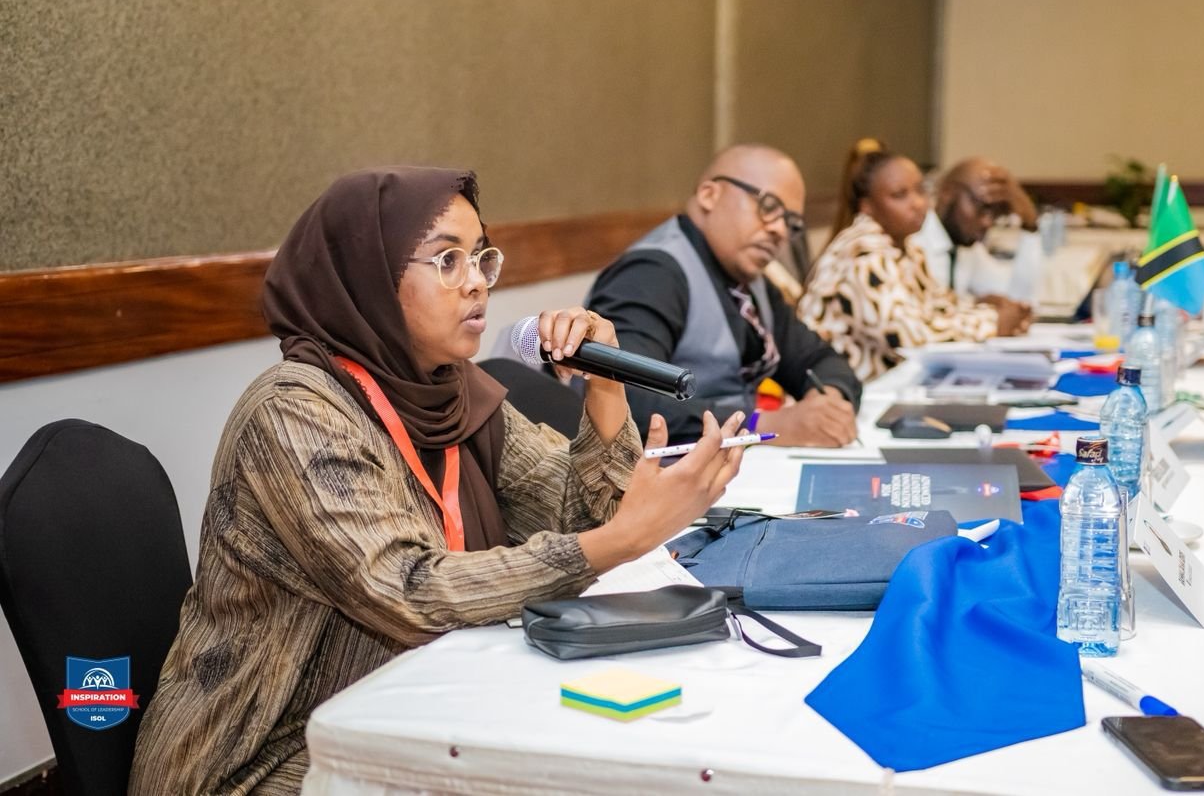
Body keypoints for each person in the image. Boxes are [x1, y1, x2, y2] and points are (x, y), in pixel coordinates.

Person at [128, 167, 745, 794]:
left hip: (412, 706)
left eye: (480, 257)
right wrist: (621, 539)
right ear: (367, 277)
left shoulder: (453, 395)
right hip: (264, 755)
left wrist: (605, 386)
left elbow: (582, 524)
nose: (476, 281)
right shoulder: (294, 412)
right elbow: (405, 590)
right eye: (447, 260)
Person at [587, 144, 861, 448]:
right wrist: (760, 425)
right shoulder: (652, 273)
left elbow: (817, 358)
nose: (780, 230)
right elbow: (625, 398)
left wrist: (828, 404)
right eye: (769, 206)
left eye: (790, 222)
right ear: (709, 195)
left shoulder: (752, 281)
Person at [798, 148, 1030, 381]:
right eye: (899, 195)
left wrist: (990, 310)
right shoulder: (862, 252)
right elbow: (908, 336)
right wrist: (993, 323)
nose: (917, 203)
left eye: (920, 190)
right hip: (841, 389)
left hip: (886, 386)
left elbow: (938, 308)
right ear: (867, 206)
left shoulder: (907, 247)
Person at [915, 156, 1043, 303]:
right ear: (947, 192)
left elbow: (1017, 298)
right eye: (981, 208)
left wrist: (1029, 224)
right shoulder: (915, 241)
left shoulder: (967, 249)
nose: (987, 222)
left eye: (996, 213)